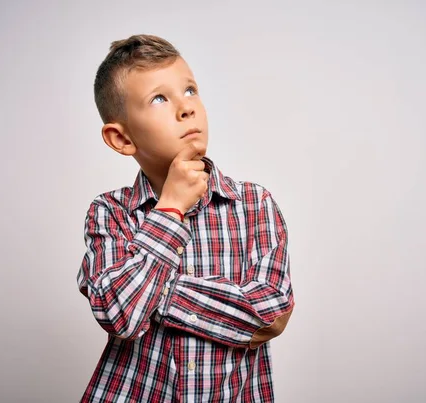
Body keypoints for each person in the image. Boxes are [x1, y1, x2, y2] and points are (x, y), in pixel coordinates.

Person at [77, 34, 294, 402]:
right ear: (121, 138)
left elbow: (271, 315)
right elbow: (121, 316)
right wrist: (170, 208)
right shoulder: (109, 212)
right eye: (159, 98)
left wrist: (158, 292)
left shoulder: (255, 204)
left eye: (190, 90)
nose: (186, 108)